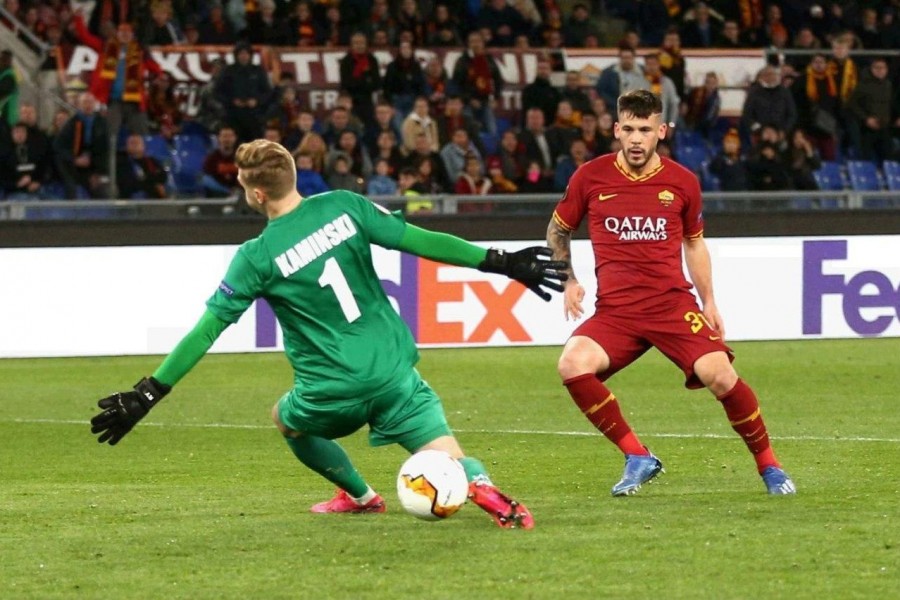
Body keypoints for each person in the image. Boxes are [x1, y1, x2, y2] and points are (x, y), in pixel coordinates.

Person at [90, 138, 568, 529]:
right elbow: (421, 241)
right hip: (393, 372)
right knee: (447, 454)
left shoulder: (256, 256)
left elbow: (207, 329)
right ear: (294, 175)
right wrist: (499, 261)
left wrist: (150, 392)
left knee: (285, 418)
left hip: (332, 391)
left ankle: (360, 495)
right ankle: (481, 485)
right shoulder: (346, 206)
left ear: (256, 194)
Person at [545, 89, 795, 497]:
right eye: (628, 129)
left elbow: (694, 243)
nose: (636, 139)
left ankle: (769, 466)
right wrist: (567, 279)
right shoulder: (590, 176)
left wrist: (710, 300)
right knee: (572, 364)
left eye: (645, 129)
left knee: (720, 374)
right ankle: (637, 456)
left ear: (661, 130)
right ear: (616, 130)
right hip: (616, 312)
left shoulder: (682, 182)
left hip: (671, 306)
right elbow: (558, 229)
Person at [116, 133, 170, 199]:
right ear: (126, 146)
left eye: (137, 143)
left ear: (144, 146)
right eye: (132, 143)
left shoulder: (151, 161)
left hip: (154, 197)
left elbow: (162, 176)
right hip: (133, 198)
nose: (134, 145)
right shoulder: (122, 162)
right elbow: (128, 184)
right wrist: (152, 183)